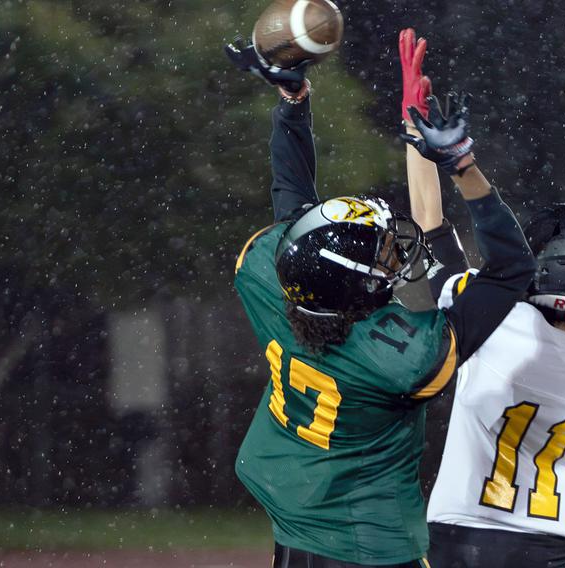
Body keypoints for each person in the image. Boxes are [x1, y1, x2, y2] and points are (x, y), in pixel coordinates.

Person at [223, 36, 535, 568]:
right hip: (370, 542)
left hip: (294, 517)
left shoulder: (275, 283)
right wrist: (462, 164)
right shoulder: (400, 358)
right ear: (358, 288)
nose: (394, 258)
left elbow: (292, 203)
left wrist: (293, 105)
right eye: (384, 254)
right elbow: (512, 271)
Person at [397, 29, 565, 568]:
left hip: (458, 542)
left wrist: (414, 133)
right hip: (549, 552)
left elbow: (431, 225)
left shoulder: (497, 324)